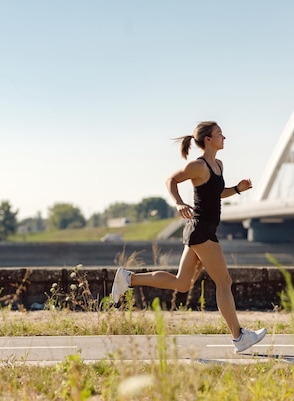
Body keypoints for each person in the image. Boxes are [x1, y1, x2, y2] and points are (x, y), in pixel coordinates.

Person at [111, 120, 266, 353]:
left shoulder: (218, 165)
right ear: (208, 140)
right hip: (201, 230)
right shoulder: (198, 166)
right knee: (224, 282)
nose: (225, 137)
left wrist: (236, 189)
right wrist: (179, 203)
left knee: (182, 284)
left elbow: (216, 193)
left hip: (202, 231)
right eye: (220, 134)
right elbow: (170, 180)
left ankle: (129, 279)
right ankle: (239, 337)